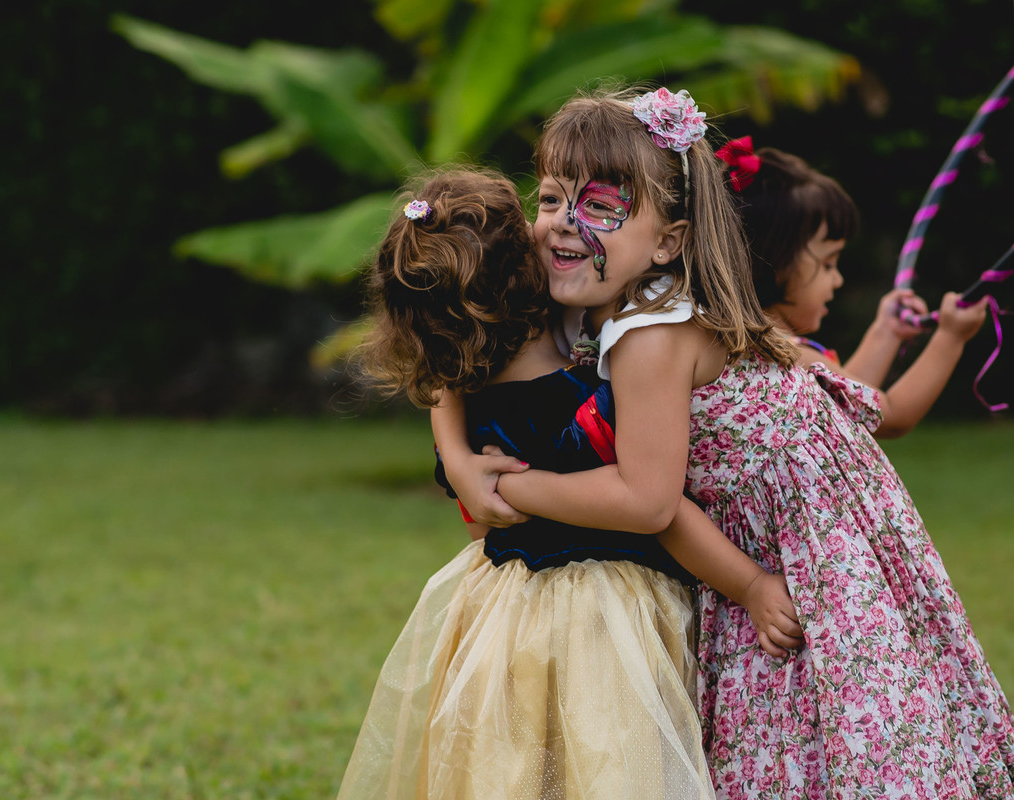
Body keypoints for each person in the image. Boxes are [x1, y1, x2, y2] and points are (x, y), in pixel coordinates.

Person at [436, 85, 1014, 798]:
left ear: (668, 240)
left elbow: (649, 498)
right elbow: (450, 348)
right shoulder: (594, 292)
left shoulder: (651, 335)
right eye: (552, 198)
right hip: (781, 523)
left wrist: (507, 486)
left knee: (828, 709)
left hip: (799, 542)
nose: (563, 224)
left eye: (603, 206)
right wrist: (460, 461)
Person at [336, 167, 803, 800]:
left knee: (519, 769)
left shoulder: (473, 384)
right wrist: (748, 583)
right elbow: (657, 509)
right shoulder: (578, 407)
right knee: (610, 768)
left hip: (504, 611)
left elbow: (439, 372)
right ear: (529, 276)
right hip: (604, 617)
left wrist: (457, 459)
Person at [715, 137, 990, 437]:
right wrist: (951, 338)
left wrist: (887, 332)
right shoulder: (783, 355)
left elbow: (849, 398)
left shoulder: (753, 349)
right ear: (773, 265)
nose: (838, 280)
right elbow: (890, 413)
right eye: (828, 264)